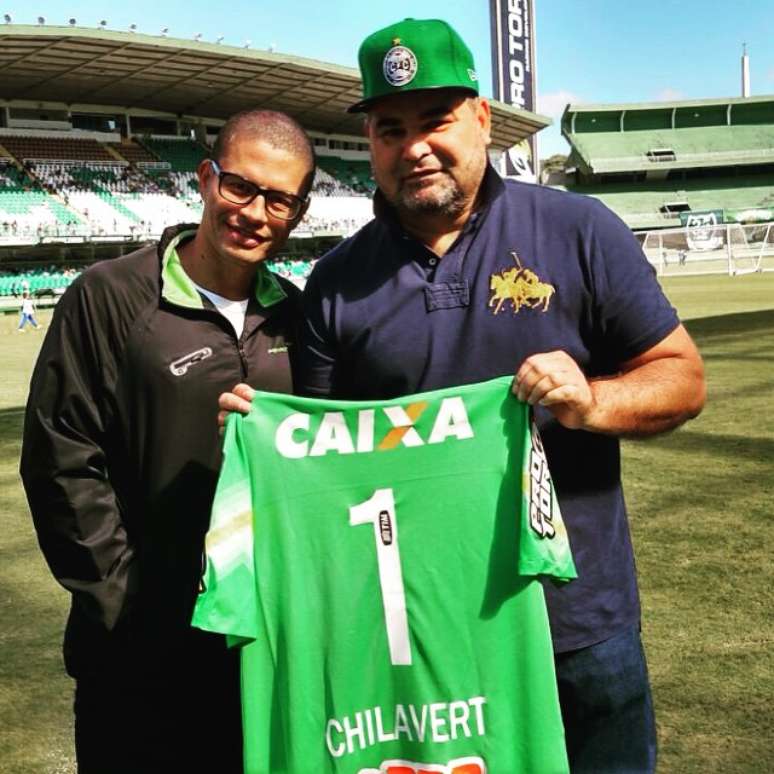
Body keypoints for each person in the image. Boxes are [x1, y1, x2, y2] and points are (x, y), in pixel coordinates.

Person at [220, 19, 706, 773]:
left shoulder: (577, 229)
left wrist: (592, 402)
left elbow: (682, 375)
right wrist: (267, 434)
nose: (413, 146)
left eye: (434, 121)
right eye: (389, 128)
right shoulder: (337, 284)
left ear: (481, 119)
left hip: (577, 626)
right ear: (371, 144)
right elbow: (322, 462)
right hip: (422, 641)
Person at [20, 108, 314, 774]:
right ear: (207, 180)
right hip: (136, 653)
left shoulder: (297, 314)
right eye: (241, 186)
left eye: (279, 200)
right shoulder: (110, 296)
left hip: (258, 643)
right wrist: (124, 603)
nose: (255, 212)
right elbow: (63, 459)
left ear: (297, 212)